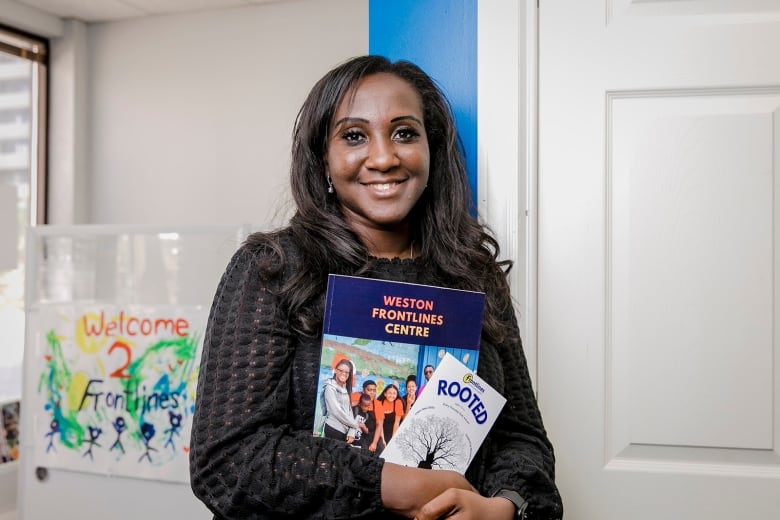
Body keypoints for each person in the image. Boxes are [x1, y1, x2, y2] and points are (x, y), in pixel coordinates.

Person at [190, 55, 563, 520]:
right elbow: (226, 463)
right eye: (353, 136)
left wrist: (503, 508)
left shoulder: (473, 274)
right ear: (322, 158)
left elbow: (522, 438)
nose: (384, 157)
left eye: (404, 133)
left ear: (433, 150)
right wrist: (392, 485)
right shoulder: (272, 270)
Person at [320, 358, 361, 442]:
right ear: (335, 371)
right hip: (333, 429)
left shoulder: (345, 388)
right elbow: (336, 411)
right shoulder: (330, 387)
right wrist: (355, 424)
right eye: (341, 370)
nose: (344, 374)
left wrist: (352, 431)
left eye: (346, 372)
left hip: (344, 431)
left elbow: (349, 411)